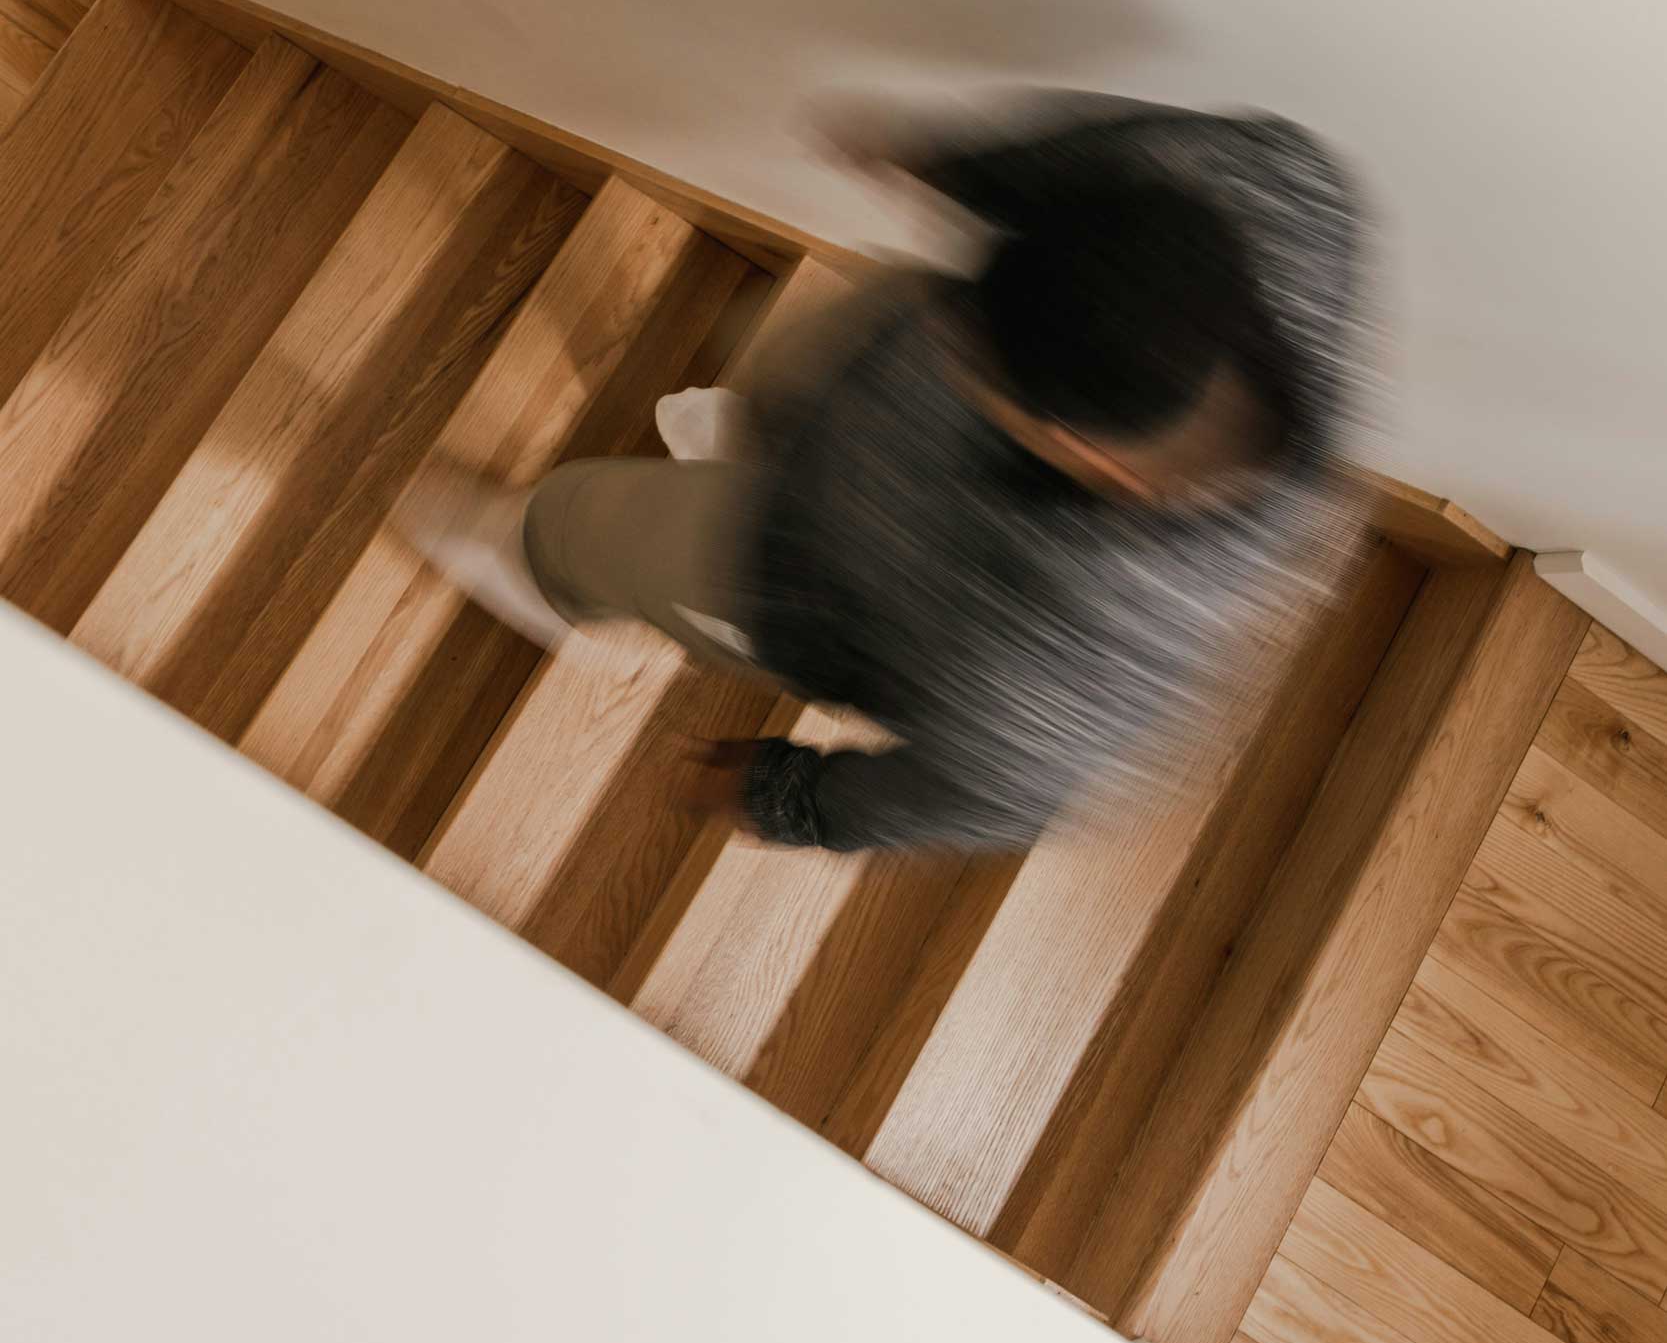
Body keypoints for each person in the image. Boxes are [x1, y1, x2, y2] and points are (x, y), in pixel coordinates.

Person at [407, 93, 1364, 854]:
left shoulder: (1054, 672)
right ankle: (755, 446)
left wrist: (784, 797)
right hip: (851, 449)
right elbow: (1120, 160)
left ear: (1087, 455)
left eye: (975, 363)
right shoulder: (1283, 196)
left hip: (793, 576)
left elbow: (993, 798)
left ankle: (528, 561)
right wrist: (949, 166)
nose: (946, 322)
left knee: (595, 521)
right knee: (781, 370)